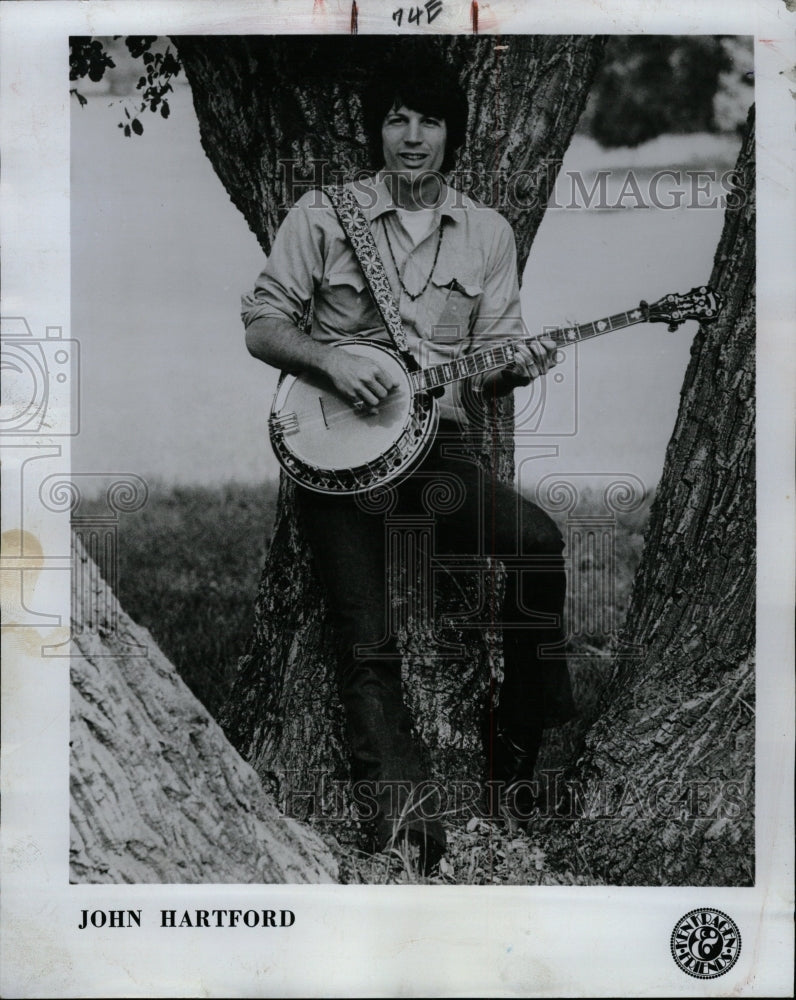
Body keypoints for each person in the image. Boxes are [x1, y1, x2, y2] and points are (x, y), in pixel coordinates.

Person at [241, 58, 574, 873]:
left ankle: (517, 758)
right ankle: (408, 830)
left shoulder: (487, 232)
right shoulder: (325, 215)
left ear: (451, 131)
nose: (412, 136)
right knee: (368, 645)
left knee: (537, 546)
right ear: (377, 129)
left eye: (427, 121)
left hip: (436, 453)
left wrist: (517, 365)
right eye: (396, 119)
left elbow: (492, 359)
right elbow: (261, 324)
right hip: (335, 464)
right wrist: (327, 361)